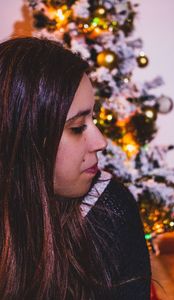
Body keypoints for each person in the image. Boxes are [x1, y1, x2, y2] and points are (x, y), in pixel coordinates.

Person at [0, 37, 151, 299]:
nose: (100, 142)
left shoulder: (111, 209)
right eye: (77, 127)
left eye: (93, 119)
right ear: (24, 138)